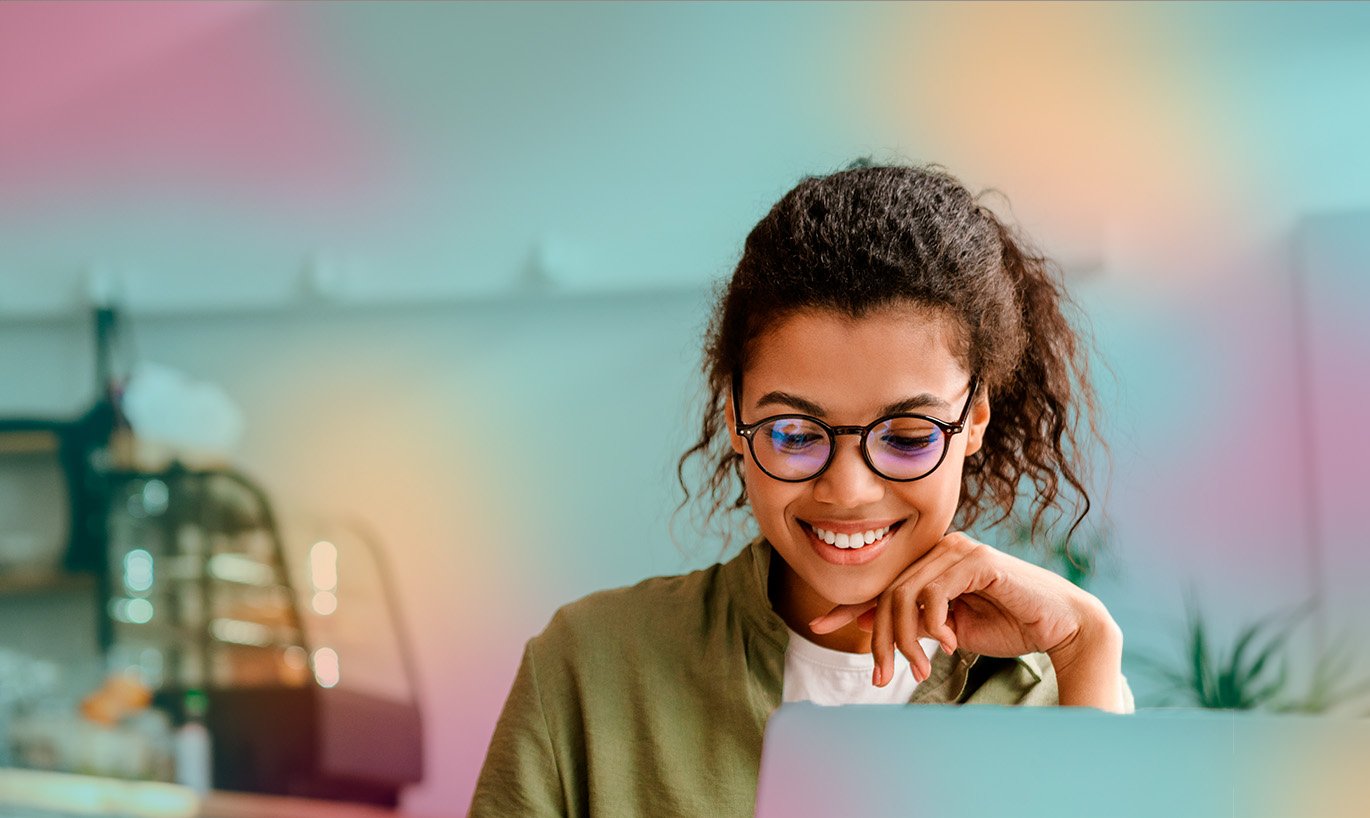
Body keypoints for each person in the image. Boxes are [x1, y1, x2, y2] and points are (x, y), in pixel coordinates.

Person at [469, 160, 1134, 818]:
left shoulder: (1063, 700)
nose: (847, 490)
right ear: (735, 417)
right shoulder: (590, 671)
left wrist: (1087, 646)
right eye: (794, 434)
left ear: (975, 420)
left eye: (906, 436)